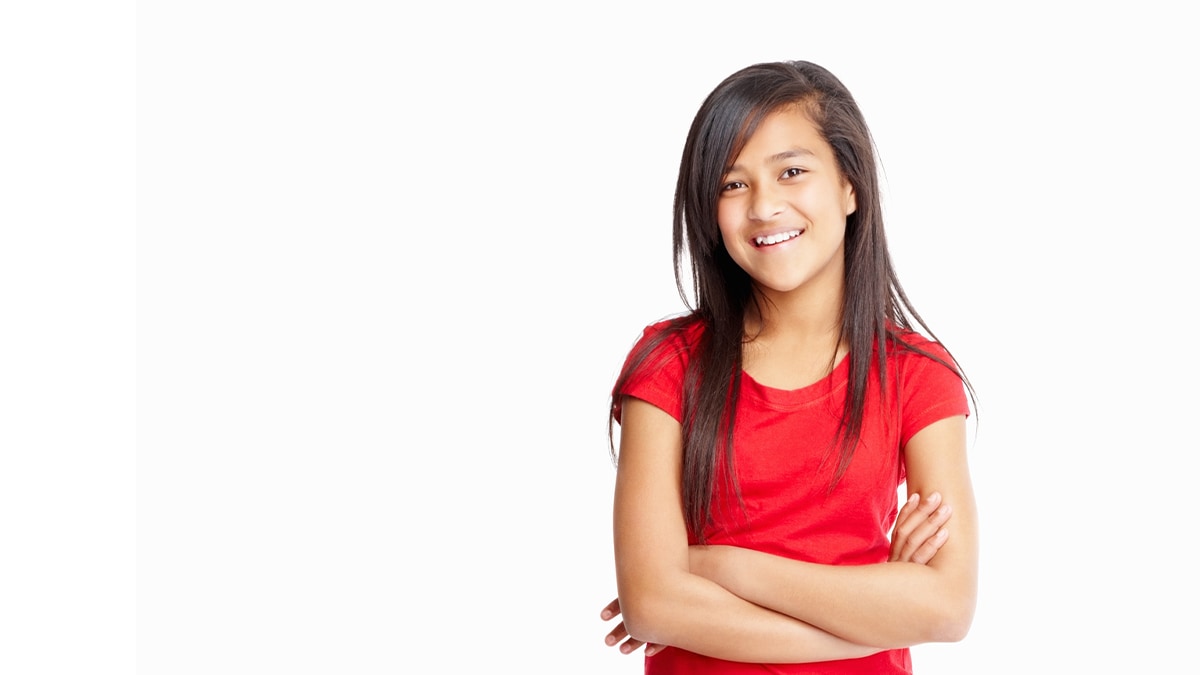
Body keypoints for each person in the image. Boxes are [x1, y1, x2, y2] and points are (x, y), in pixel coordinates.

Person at [599, 60, 978, 673]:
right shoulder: (667, 365)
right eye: (732, 184)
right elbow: (652, 605)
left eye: (792, 172)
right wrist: (875, 615)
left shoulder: (917, 373)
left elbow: (948, 607)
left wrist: (717, 565)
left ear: (850, 187)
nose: (763, 207)